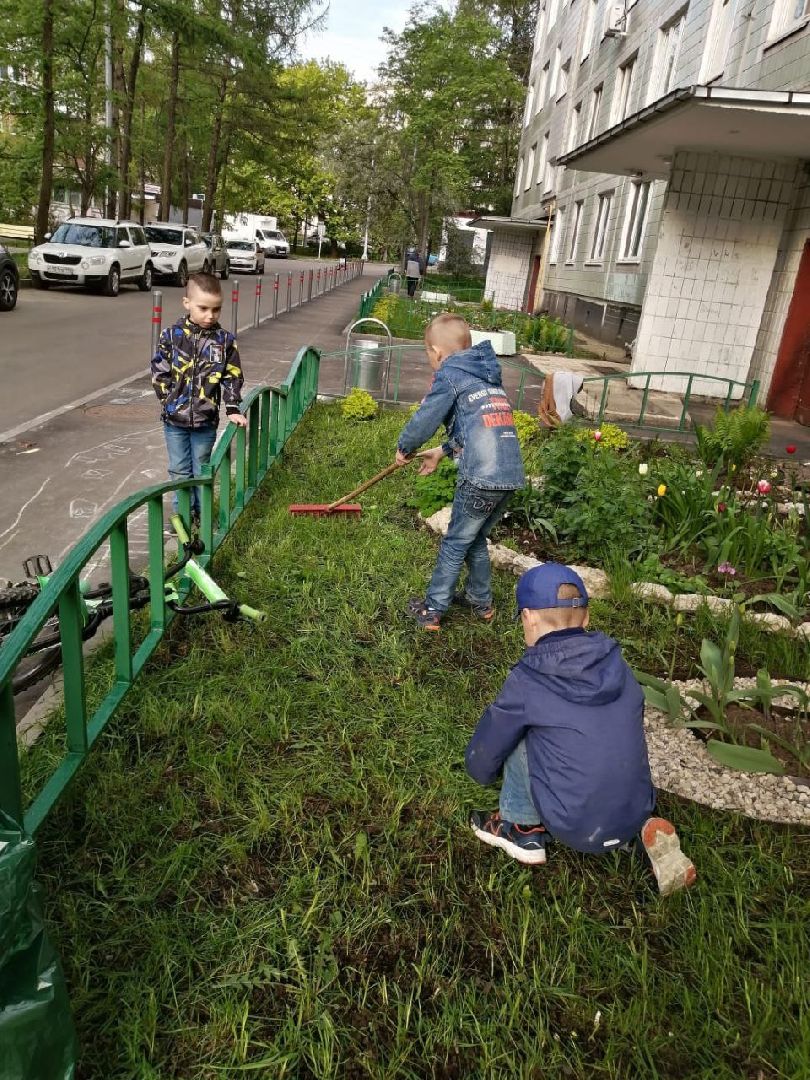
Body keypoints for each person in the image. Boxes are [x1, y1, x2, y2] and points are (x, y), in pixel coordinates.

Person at [464, 562, 696, 896]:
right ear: (586, 618)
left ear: (528, 618)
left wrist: (479, 769)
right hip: (635, 806)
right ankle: (632, 832)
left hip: (572, 823)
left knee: (522, 734)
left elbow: (492, 740)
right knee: (603, 731)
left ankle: (519, 827)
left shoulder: (528, 681)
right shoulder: (619, 666)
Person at [395, 312, 525, 631]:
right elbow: (475, 428)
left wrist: (405, 446)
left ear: (437, 352)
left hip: (481, 475)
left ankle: (433, 608)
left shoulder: (450, 373)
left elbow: (428, 415)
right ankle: (481, 601)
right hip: (509, 475)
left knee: (455, 541)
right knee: (475, 536)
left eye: (428, 354)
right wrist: (442, 452)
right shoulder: (485, 375)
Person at [151, 272, 246, 524]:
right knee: (179, 471)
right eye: (203, 308)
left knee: (201, 469)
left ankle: (202, 518)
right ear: (187, 303)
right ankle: (182, 516)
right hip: (174, 421)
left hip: (205, 421)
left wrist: (233, 407)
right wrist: (168, 401)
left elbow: (232, 375)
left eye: (216, 309)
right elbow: (160, 371)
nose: (210, 315)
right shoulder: (171, 336)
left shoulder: (224, 341)